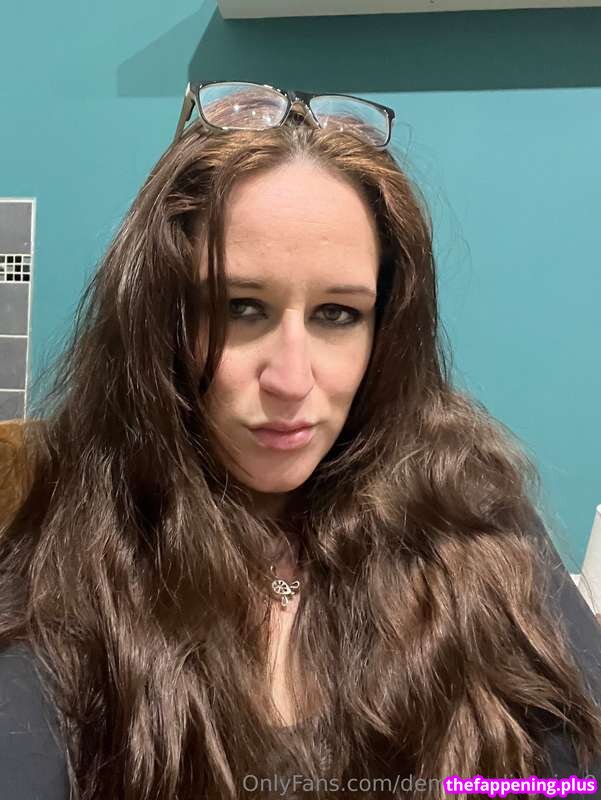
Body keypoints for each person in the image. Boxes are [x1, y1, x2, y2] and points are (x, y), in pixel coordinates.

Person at [0, 80, 600, 800]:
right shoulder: (79, 556)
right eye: (240, 307)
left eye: (337, 314)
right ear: (157, 322)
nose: (291, 380)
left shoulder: (471, 522)